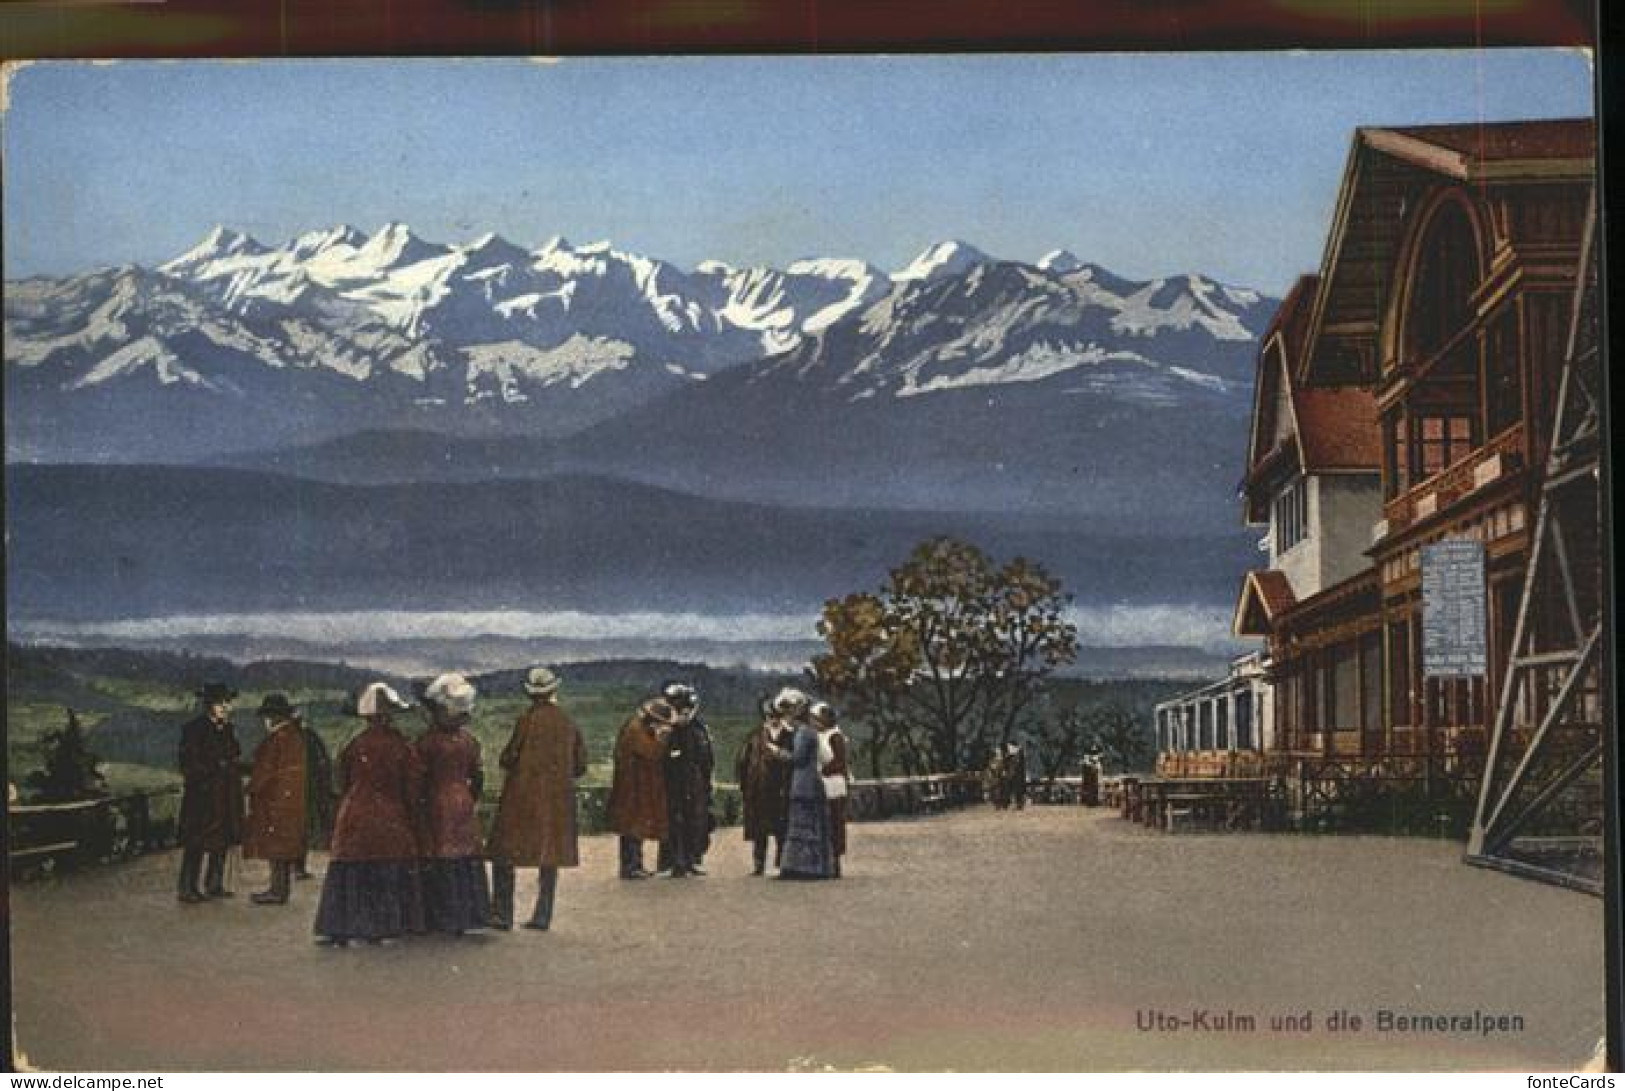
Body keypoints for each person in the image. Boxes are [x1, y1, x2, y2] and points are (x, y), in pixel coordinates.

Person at [314, 682, 425, 946]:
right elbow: (412, 785)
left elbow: (341, 780)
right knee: (386, 869)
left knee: (354, 869)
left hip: (354, 813)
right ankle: (385, 928)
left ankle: (350, 927)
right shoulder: (402, 746)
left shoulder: (354, 744)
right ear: (389, 716)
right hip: (389, 815)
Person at [487, 667, 588, 931]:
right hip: (556, 802)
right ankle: (543, 915)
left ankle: (502, 914)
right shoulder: (568, 722)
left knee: (504, 854)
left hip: (521, 798)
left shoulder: (526, 720)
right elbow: (580, 765)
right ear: (554, 690)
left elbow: (507, 758)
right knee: (549, 856)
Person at [414, 672, 490, 936]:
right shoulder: (469, 741)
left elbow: (418, 779)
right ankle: (468, 915)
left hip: (436, 802)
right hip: (463, 801)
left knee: (440, 855)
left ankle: (441, 917)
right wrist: (469, 798)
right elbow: (478, 776)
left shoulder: (426, 743)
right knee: (464, 856)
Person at [176, 682, 245, 903]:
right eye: (221, 703)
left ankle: (214, 884)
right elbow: (188, 764)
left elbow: (234, 755)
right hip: (202, 796)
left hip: (224, 795)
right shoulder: (194, 729)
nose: (226, 707)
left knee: (221, 839)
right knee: (195, 841)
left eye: (227, 703)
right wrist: (215, 768)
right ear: (209, 705)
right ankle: (187, 887)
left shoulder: (227, 729)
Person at [243, 694, 309, 906]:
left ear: (273, 717)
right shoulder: (294, 737)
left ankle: (277, 891)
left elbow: (265, 772)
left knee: (276, 847)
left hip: (275, 800)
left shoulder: (276, 740)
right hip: (291, 800)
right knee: (284, 845)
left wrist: (250, 787)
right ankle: (280, 890)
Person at [607, 695, 675, 879]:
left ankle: (634, 865)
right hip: (633, 789)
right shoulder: (636, 730)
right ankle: (631, 867)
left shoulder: (636, 727)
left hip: (634, 787)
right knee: (632, 828)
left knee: (633, 827)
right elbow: (651, 753)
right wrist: (662, 740)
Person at [775, 688, 835, 880]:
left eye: (788, 712)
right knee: (809, 826)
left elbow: (798, 759)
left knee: (802, 826)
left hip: (803, 783)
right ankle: (811, 867)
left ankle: (802, 868)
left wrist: (780, 754)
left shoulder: (803, 733)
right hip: (809, 782)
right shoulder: (809, 731)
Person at [658, 682, 714, 878]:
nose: (685, 714)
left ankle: (690, 860)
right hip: (675, 782)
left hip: (695, 781)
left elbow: (706, 757)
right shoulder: (669, 731)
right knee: (675, 821)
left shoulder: (698, 728)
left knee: (695, 821)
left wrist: (705, 780)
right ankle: (674, 862)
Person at [736, 697, 794, 876]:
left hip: (781, 789)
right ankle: (758, 865)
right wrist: (745, 784)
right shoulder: (755, 736)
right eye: (770, 716)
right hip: (759, 789)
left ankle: (782, 864)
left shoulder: (789, 735)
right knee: (759, 830)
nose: (773, 719)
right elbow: (742, 762)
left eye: (776, 716)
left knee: (781, 829)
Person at [810, 702, 851, 879]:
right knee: (823, 824)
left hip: (834, 785)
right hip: (822, 784)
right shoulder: (819, 735)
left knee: (834, 822)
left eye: (818, 719)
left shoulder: (835, 736)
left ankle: (835, 860)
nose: (815, 723)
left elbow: (840, 762)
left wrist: (821, 770)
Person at [295, 726, 335, 880]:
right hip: (308, 788)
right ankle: (298, 867)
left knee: (302, 828)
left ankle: (298, 867)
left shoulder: (304, 736)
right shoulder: (307, 735)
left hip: (308, 788)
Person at [1002, 741, 1028, 811]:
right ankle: (1007, 804)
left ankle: (1017, 804)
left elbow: (1019, 765)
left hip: (1016, 775)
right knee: (1009, 790)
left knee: (1015, 790)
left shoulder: (1018, 753)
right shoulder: (1014, 754)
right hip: (1013, 774)